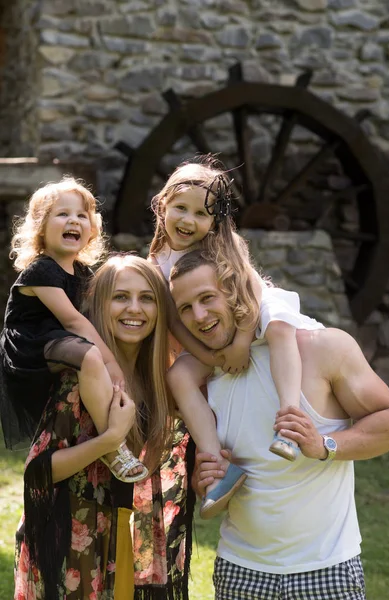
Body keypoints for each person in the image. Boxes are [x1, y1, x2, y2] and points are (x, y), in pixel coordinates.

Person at [169, 249, 389, 600]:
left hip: (327, 570)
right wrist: (207, 476)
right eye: (186, 308)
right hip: (239, 572)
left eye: (207, 298)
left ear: (233, 290)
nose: (199, 316)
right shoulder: (200, 374)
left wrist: (325, 446)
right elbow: (217, 471)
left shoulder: (322, 347)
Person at [149, 156, 323, 518]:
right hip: (209, 338)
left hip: (252, 317)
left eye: (201, 214)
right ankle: (218, 467)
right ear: (163, 204)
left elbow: (254, 294)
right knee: (178, 375)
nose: (188, 220)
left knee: (279, 327)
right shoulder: (158, 264)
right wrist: (213, 359)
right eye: (180, 208)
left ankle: (288, 423)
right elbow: (177, 325)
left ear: (215, 220)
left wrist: (242, 342)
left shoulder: (222, 247)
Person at [14, 254, 195, 600]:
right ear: (99, 304)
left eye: (147, 298)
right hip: (70, 544)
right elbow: (37, 472)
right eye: (121, 297)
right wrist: (110, 439)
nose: (135, 309)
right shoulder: (80, 375)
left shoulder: (158, 379)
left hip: (125, 537)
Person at [0, 177, 146, 482]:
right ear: (40, 226)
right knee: (91, 356)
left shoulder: (82, 272)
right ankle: (112, 444)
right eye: (62, 214)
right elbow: (74, 322)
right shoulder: (41, 270)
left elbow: (93, 316)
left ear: (92, 229)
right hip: (30, 344)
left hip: (64, 341)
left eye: (82, 215)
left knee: (91, 353)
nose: (74, 221)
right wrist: (111, 363)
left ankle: (122, 423)